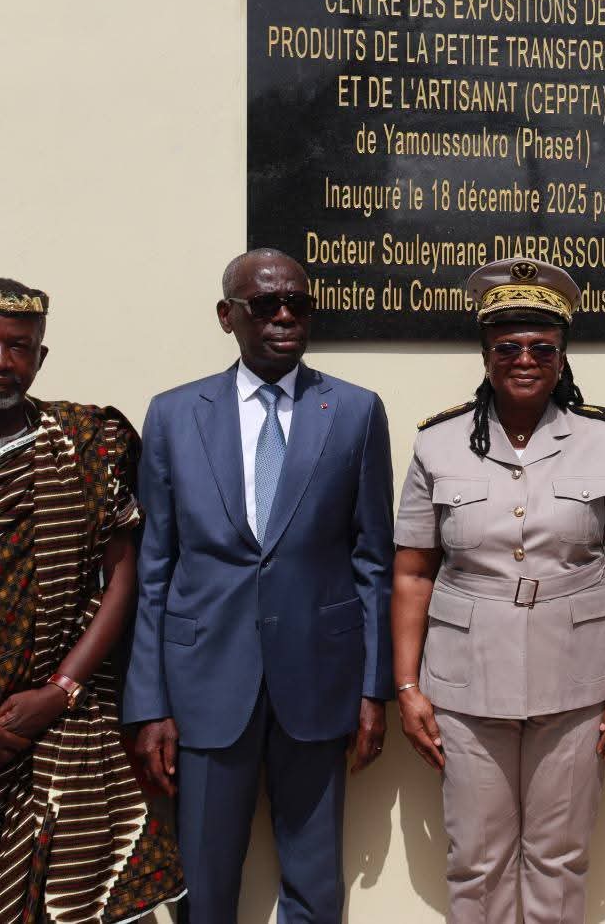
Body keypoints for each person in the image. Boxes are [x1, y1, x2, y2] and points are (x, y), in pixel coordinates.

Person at [0, 279, 183, 923]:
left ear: (40, 357)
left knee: (67, 894)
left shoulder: (86, 442)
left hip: (59, 726)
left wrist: (61, 689)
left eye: (17, 346)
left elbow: (123, 573)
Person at [123, 249, 393, 923]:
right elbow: (154, 567)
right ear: (228, 316)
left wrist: (372, 688)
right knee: (205, 887)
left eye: (298, 304)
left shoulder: (355, 411)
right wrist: (148, 703)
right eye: (266, 304)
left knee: (316, 886)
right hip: (203, 684)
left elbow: (372, 560)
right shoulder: (174, 414)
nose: (284, 317)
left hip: (320, 679)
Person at [390, 257, 605, 924]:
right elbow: (412, 571)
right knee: (476, 862)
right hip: (465, 682)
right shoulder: (437, 444)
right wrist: (407, 686)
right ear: (485, 355)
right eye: (507, 347)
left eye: (542, 347)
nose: (525, 360)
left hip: (578, 679)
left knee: (559, 860)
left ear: (562, 357)